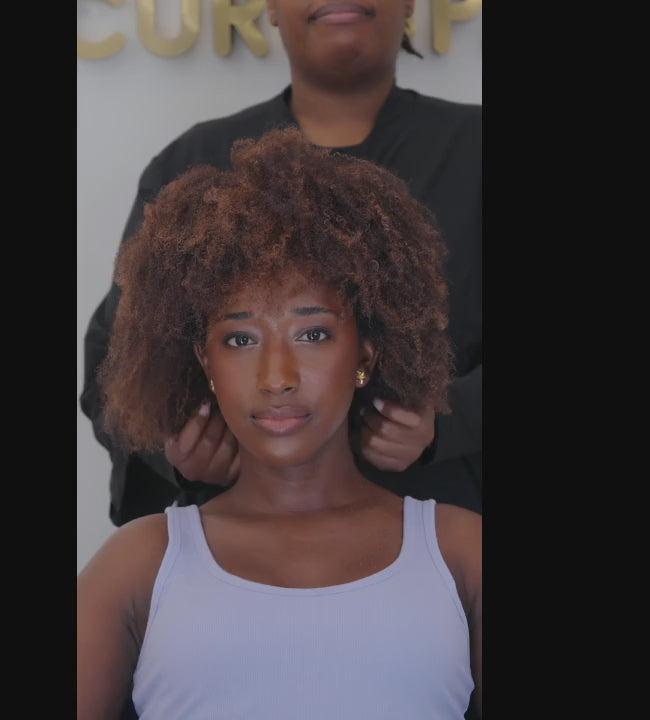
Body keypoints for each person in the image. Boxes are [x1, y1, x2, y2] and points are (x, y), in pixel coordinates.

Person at [77, 128, 481, 720]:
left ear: (366, 353)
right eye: (240, 339)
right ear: (204, 362)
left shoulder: (462, 553)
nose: (277, 376)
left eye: (312, 333)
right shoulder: (139, 564)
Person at [80, 0, 483, 525]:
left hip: (446, 530)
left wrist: (451, 423)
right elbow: (114, 362)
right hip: (234, 541)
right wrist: (174, 450)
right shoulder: (192, 164)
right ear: (270, 6)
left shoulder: (475, 150)